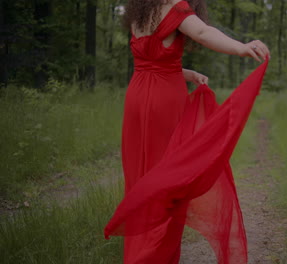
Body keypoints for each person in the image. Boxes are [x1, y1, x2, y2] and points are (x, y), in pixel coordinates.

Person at [104, 0, 270, 263]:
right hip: (165, 105)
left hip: (136, 101)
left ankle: (138, 254)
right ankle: (154, 256)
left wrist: (186, 73)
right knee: (169, 183)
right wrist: (242, 47)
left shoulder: (142, 12)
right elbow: (203, 33)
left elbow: (150, 62)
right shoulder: (175, 8)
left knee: (142, 178)